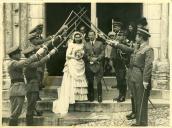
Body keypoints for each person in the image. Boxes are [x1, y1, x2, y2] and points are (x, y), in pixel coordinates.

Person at [109, 27, 154, 126]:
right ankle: (138, 120)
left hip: (140, 75)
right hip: (133, 73)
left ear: (141, 37)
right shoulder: (138, 47)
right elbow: (128, 49)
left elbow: (148, 65)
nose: (135, 37)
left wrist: (146, 80)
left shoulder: (148, 49)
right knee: (136, 97)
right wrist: (116, 44)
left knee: (141, 98)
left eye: (137, 36)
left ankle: (142, 122)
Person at [7, 45, 48, 126]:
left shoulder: (16, 62)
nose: (20, 54)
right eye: (18, 53)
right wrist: (36, 55)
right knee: (15, 112)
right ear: (13, 55)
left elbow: (27, 62)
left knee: (17, 112)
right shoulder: (12, 63)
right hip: (16, 90)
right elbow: (26, 62)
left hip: (19, 89)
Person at [52, 31, 88, 115]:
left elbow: (84, 53)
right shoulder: (71, 44)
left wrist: (80, 56)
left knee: (80, 78)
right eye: (76, 37)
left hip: (80, 62)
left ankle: (80, 97)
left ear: (81, 38)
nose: (78, 38)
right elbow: (68, 55)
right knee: (72, 79)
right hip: (72, 63)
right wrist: (75, 56)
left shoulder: (83, 45)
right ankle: (72, 96)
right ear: (74, 38)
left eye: (79, 37)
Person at [23, 46, 58, 125]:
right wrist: (49, 54)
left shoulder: (29, 62)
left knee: (32, 105)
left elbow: (38, 58)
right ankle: (29, 124)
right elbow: (40, 62)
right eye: (32, 54)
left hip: (32, 86)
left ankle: (30, 122)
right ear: (29, 56)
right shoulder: (29, 64)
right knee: (31, 106)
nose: (35, 55)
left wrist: (44, 51)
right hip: (32, 87)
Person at [84, 30, 105, 103]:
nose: (90, 36)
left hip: (98, 64)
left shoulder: (100, 43)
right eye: (89, 35)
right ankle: (91, 95)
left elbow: (103, 53)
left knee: (99, 81)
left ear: (95, 35)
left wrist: (97, 58)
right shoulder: (86, 44)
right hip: (89, 65)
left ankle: (100, 96)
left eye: (92, 35)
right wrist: (90, 58)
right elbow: (85, 54)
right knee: (90, 81)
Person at [110, 30, 128, 102]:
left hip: (122, 64)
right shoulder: (116, 43)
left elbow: (125, 55)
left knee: (122, 80)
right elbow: (113, 52)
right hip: (116, 63)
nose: (118, 37)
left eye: (120, 36)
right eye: (118, 35)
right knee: (119, 80)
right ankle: (120, 95)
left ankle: (123, 96)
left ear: (124, 37)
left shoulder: (125, 44)